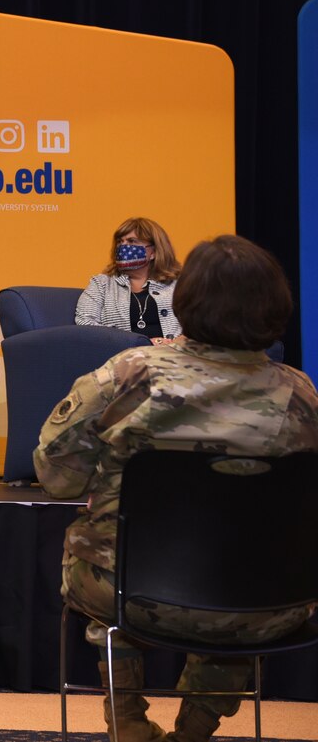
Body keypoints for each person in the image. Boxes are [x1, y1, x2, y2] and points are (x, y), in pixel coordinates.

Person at [35, 234, 318, 742]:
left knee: (97, 547)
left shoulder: (127, 376)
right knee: (246, 570)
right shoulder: (303, 396)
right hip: (270, 603)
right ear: (276, 306)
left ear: (184, 301)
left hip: (130, 595)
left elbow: (57, 477)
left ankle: (128, 723)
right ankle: (195, 731)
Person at [75, 216, 183, 345]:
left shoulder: (178, 284)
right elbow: (84, 322)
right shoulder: (101, 284)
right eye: (120, 242)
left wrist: (177, 343)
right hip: (121, 357)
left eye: (132, 241)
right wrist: (139, 343)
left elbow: (199, 323)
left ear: (153, 252)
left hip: (173, 356)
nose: (123, 247)